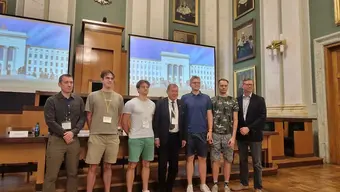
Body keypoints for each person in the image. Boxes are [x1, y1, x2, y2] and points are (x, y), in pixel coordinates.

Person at [43, 74, 86, 192]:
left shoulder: (79, 100)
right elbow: (50, 121)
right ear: (59, 84)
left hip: (73, 140)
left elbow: (82, 118)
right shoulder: (51, 101)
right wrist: (64, 134)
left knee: (73, 173)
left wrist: (73, 133)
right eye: (66, 82)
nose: (69, 85)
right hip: (57, 140)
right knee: (51, 175)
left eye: (71, 82)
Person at [85, 70, 124, 192]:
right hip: (97, 136)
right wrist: (94, 130)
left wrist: (113, 128)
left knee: (108, 166)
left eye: (112, 78)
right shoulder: (93, 96)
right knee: (93, 166)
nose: (110, 80)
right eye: (107, 78)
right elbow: (89, 115)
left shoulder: (118, 97)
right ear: (102, 80)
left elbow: (119, 116)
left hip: (112, 137)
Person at [231, 78, 267, 192]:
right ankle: (244, 183)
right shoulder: (237, 100)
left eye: (251, 84)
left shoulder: (260, 100)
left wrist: (249, 128)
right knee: (243, 161)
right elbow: (236, 118)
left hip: (255, 135)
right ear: (243, 86)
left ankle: (258, 186)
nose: (250, 86)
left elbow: (262, 117)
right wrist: (241, 130)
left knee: (257, 162)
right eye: (247, 84)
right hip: (241, 135)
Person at [122, 80, 156, 192]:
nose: (145, 89)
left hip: (149, 137)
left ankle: (145, 189)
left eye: (147, 87)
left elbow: (152, 121)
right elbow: (124, 122)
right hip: (135, 138)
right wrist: (130, 134)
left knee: (146, 164)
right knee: (132, 165)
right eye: (143, 87)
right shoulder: (131, 103)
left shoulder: (152, 104)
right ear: (138, 89)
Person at [153, 84, 187, 192]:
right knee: (162, 166)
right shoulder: (160, 103)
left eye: (176, 91)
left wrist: (183, 138)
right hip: (164, 138)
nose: (175, 93)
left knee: (174, 167)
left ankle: (169, 187)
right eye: (172, 91)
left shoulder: (181, 103)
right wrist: (156, 137)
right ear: (167, 91)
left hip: (176, 138)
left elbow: (184, 122)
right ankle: (161, 188)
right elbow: (156, 122)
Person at [181, 76, 213, 192]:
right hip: (189, 133)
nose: (196, 84)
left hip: (203, 133)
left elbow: (209, 115)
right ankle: (189, 184)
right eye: (194, 82)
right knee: (189, 159)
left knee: (202, 159)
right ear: (190, 84)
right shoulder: (184, 98)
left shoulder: (206, 98)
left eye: (198, 82)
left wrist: (210, 130)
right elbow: (182, 117)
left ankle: (203, 184)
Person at [210, 79, 239, 192]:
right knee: (215, 160)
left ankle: (226, 184)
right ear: (218, 86)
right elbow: (209, 117)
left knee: (228, 160)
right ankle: (215, 183)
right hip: (215, 134)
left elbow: (235, 119)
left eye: (225, 85)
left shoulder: (233, 101)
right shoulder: (212, 100)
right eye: (221, 85)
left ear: (228, 86)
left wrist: (233, 137)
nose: (223, 87)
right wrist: (210, 132)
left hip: (228, 135)